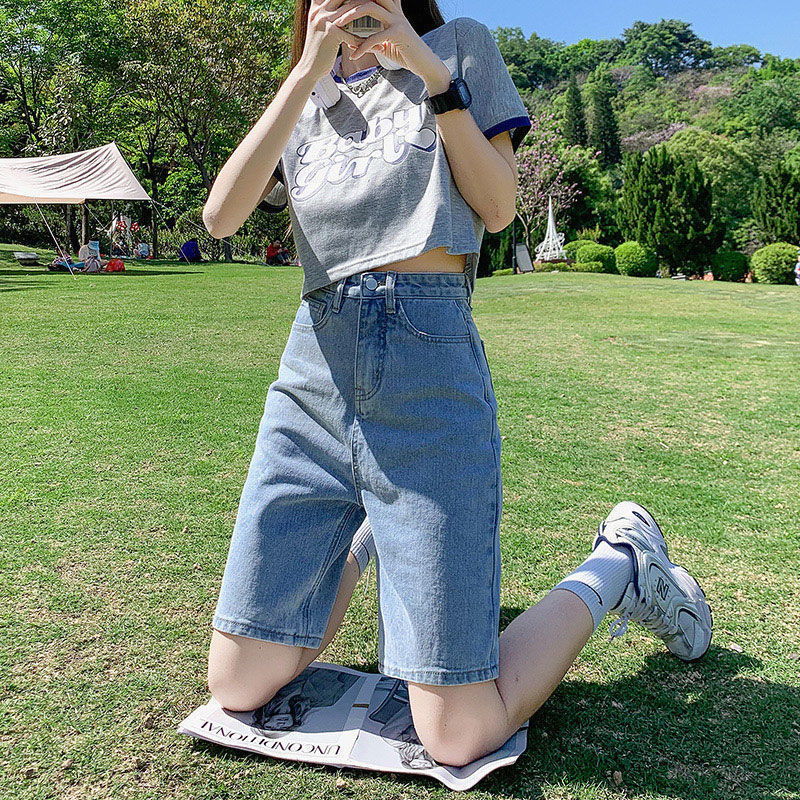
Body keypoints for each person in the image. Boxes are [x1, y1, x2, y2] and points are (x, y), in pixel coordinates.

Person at [201, 0, 713, 769]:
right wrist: (304, 73)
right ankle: (377, 525)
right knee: (237, 685)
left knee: (458, 732)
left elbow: (499, 208)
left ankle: (622, 565)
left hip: (427, 365)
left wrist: (428, 71)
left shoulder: (457, 47)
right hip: (315, 372)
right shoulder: (304, 88)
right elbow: (221, 215)